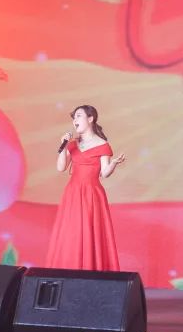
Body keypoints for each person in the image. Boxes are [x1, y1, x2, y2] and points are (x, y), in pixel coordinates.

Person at [46, 105, 125, 271]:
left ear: (90, 119)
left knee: (89, 232)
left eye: (78, 116)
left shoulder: (102, 145)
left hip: (91, 194)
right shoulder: (72, 144)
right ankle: (69, 268)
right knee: (72, 232)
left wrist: (113, 164)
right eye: (74, 117)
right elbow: (61, 168)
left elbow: (105, 173)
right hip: (73, 193)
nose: (75, 120)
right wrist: (63, 147)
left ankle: (89, 269)